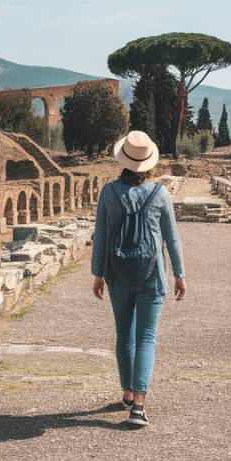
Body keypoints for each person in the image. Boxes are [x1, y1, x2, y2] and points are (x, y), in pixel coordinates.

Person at [91, 130, 186, 428]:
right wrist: (180, 274)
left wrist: (98, 274)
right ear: (149, 163)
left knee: (124, 335)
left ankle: (128, 393)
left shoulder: (108, 192)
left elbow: (101, 237)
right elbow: (172, 239)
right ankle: (139, 408)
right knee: (146, 337)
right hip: (152, 276)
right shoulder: (160, 194)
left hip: (117, 274)